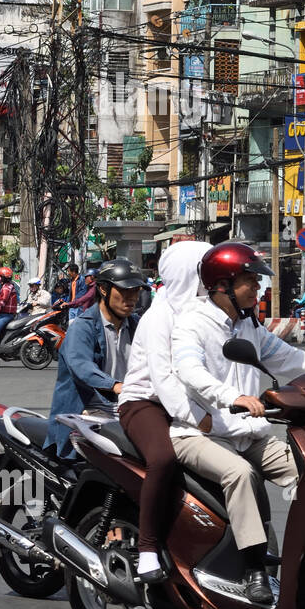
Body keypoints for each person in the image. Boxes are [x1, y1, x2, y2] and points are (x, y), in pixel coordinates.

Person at [169, 243, 305, 604]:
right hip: (198, 433)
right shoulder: (191, 323)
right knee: (240, 475)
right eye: (250, 281)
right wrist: (230, 397)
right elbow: (189, 371)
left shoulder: (249, 325)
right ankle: (253, 570)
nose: (257, 289)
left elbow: (289, 359)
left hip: (249, 433)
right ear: (222, 285)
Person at [116, 240, 212, 583]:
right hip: (144, 403)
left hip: (188, 403)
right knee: (164, 459)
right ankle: (147, 548)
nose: (211, 281)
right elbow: (164, 381)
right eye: (205, 273)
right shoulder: (159, 316)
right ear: (188, 274)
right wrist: (199, 418)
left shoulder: (203, 312)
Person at [45, 258, 145, 460]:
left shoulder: (137, 325)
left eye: (136, 291)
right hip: (87, 413)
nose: (132, 298)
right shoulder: (84, 326)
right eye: (125, 291)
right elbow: (81, 366)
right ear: (104, 290)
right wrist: (116, 386)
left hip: (127, 408)